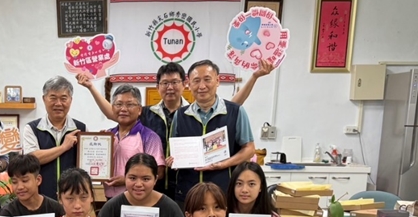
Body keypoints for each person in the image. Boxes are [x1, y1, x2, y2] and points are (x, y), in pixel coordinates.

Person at [80, 61, 273, 200]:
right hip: (156, 185)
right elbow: (115, 113)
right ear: (158, 87)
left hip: (191, 183)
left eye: (175, 82)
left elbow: (233, 107)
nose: (170, 87)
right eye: (165, 83)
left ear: (183, 84)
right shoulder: (146, 113)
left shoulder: (194, 111)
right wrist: (91, 87)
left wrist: (254, 77)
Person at [170, 60, 257, 201]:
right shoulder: (180, 115)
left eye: (207, 79)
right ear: (189, 84)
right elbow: (174, 151)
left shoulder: (235, 111)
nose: (202, 86)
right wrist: (174, 160)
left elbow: (249, 149)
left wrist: (223, 164)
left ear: (217, 81)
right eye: (196, 81)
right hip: (187, 193)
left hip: (222, 191)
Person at [22, 76, 86, 199]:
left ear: (70, 100)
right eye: (53, 98)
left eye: (63, 98)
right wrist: (63, 147)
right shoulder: (32, 128)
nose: (58, 103)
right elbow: (32, 159)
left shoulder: (81, 129)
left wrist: (104, 142)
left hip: (72, 198)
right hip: (41, 198)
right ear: (44, 99)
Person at [0, 153, 65, 217]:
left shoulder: (56, 209)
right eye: (14, 182)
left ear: (38, 180)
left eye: (25, 180)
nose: (20, 187)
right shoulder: (7, 214)